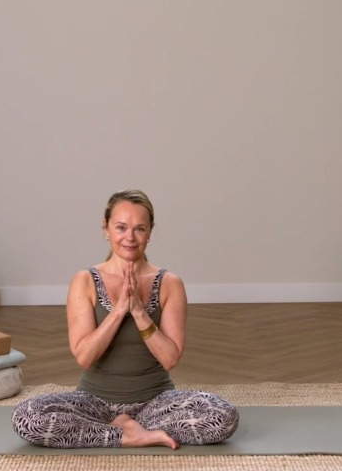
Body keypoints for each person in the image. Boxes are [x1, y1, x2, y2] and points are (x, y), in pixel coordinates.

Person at [12, 189, 239, 449]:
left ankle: (122, 429)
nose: (129, 237)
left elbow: (170, 359)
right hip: (95, 403)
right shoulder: (85, 281)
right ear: (106, 229)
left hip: (156, 403)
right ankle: (126, 435)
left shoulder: (169, 283)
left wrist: (140, 313)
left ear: (150, 232)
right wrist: (119, 311)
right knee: (27, 417)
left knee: (223, 416)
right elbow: (84, 357)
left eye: (139, 229)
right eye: (121, 227)